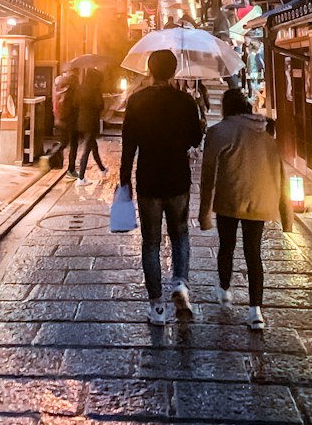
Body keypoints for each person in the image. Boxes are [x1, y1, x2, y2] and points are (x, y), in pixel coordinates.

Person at [120, 49, 205, 325]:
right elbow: (194, 138)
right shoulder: (184, 101)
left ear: (150, 69)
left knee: (151, 242)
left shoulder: (137, 101)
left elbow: (128, 144)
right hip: (178, 177)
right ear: (174, 71)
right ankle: (180, 281)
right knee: (180, 235)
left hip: (149, 178)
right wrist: (198, 124)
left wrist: (124, 179)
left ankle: (156, 305)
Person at [198, 86, 291, 330]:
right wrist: (286, 215)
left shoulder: (219, 131)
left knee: (226, 246)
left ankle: (225, 289)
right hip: (261, 199)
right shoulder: (266, 131)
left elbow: (208, 175)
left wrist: (204, 212)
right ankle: (255, 311)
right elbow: (281, 173)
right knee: (254, 253)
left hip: (230, 198)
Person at [75, 66, 107, 182]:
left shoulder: (80, 88)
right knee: (87, 149)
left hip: (81, 122)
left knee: (94, 147)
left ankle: (103, 169)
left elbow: (75, 103)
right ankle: (81, 178)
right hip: (91, 122)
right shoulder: (95, 89)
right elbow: (100, 106)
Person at [53, 69, 81, 180]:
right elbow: (76, 104)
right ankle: (71, 169)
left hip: (60, 119)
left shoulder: (61, 86)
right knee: (72, 145)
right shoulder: (74, 88)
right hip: (72, 120)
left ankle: (50, 157)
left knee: (63, 143)